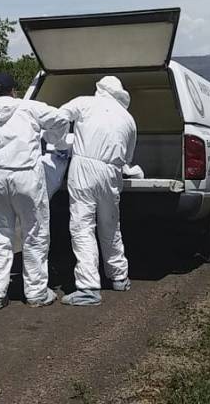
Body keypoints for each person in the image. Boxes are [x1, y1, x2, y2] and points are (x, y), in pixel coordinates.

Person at [0, 73, 68, 310]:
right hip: (26, 175)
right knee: (34, 234)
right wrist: (57, 142)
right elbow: (59, 119)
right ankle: (36, 293)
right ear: (13, 91)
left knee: (0, 236)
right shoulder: (28, 107)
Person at [59, 76, 137, 306]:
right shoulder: (129, 119)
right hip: (112, 171)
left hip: (83, 168)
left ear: (99, 89)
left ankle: (88, 287)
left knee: (83, 227)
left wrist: (60, 141)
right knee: (110, 226)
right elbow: (128, 157)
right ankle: (119, 277)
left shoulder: (84, 102)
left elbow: (58, 117)